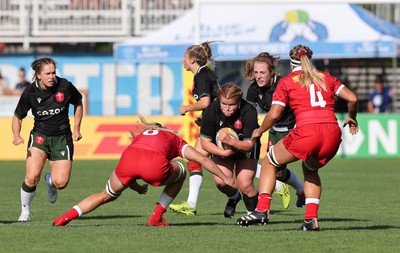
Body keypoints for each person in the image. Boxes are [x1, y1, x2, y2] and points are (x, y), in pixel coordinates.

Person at [236, 45, 358, 231]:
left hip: (307, 131)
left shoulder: (287, 81)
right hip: (332, 133)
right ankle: (310, 219)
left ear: (292, 63)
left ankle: (261, 211)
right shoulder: (326, 77)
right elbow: (353, 98)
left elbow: (274, 114)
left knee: (269, 161)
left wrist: (260, 130)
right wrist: (352, 117)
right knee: (309, 170)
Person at [53, 116, 237, 227]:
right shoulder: (173, 138)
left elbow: (132, 170)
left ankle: (64, 217)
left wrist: (138, 187)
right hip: (154, 165)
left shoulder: (141, 137)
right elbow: (202, 159)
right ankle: (156, 217)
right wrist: (225, 177)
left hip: (128, 159)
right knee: (181, 171)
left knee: (104, 195)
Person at [12, 57, 84, 222]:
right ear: (38, 75)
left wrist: (77, 128)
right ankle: (25, 211)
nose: (52, 76)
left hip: (62, 138)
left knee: (61, 183)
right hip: (39, 137)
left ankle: (50, 181)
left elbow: (78, 102)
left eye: (54, 72)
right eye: (48, 73)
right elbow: (17, 117)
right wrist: (16, 135)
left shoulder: (64, 86)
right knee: (31, 177)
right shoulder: (30, 92)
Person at [244, 52, 305, 209]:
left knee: (269, 167)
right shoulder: (253, 90)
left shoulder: (283, 85)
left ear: (272, 72)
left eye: (262, 72)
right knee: (275, 171)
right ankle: (300, 189)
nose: (258, 76)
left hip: (292, 131)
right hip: (274, 131)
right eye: (256, 72)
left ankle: (263, 210)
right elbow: (248, 113)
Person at [169, 41, 219, 216]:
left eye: (184, 56)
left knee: (196, 160)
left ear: (192, 60)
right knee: (230, 165)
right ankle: (277, 185)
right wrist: (205, 117)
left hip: (216, 125)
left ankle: (191, 204)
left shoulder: (201, 76)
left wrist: (186, 108)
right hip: (214, 122)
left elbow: (205, 102)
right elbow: (213, 101)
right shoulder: (205, 74)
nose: (182, 59)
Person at [200, 83, 260, 218]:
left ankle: (253, 215)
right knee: (222, 181)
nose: (227, 108)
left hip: (245, 149)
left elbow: (249, 145)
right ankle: (234, 196)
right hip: (222, 151)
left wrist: (230, 142)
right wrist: (223, 152)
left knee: (245, 184)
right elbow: (204, 142)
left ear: (238, 101)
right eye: (224, 104)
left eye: (231, 104)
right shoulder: (211, 110)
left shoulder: (248, 110)